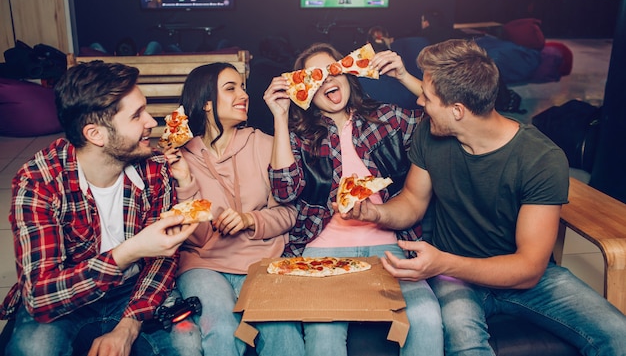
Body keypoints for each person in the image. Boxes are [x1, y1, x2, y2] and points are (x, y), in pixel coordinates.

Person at [341, 39, 626, 356]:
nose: (420, 101)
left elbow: (529, 268)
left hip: (526, 279)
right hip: (455, 278)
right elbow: (411, 202)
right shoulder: (430, 132)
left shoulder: (541, 158)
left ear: (458, 111)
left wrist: (443, 262)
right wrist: (376, 214)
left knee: (619, 336)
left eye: (428, 97)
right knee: (466, 345)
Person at [0, 61, 198, 356]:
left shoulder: (155, 169)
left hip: (133, 289)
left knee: (188, 345)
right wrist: (131, 250)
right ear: (95, 134)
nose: (152, 123)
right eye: (136, 116)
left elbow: (163, 262)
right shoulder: (39, 181)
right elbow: (40, 296)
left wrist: (129, 325)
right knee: (32, 348)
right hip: (66, 298)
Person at [263, 42, 443, 356]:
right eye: (314, 77)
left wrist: (403, 76)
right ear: (304, 91)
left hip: (390, 246)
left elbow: (442, 121)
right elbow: (284, 190)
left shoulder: (385, 117)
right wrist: (280, 116)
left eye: (333, 70)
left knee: (426, 316)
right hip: (323, 249)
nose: (328, 80)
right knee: (323, 332)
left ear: (348, 73)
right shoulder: (299, 135)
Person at [164, 63, 304, 356]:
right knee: (222, 327)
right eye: (231, 88)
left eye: (242, 86)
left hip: (263, 261)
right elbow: (197, 238)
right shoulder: (181, 157)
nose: (243, 94)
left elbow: (289, 213)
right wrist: (186, 182)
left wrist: (248, 219)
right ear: (205, 103)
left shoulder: (266, 144)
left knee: (284, 333)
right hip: (203, 264)